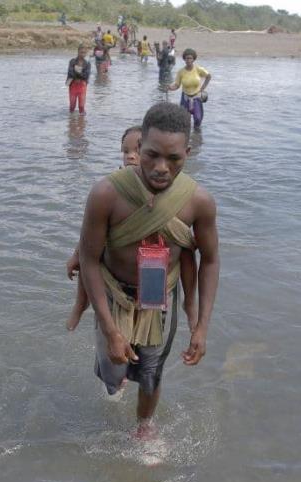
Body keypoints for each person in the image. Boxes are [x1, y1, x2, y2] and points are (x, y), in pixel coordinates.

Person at [78, 102, 219, 438]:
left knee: (153, 369)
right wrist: (111, 328)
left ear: (188, 152)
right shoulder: (106, 194)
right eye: (152, 155)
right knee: (113, 373)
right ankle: (117, 377)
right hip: (113, 295)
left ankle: (144, 425)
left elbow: (210, 260)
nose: (161, 168)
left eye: (174, 159)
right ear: (139, 147)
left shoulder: (198, 202)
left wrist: (200, 326)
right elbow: (88, 259)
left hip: (159, 298)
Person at [66, 127, 200, 333]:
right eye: (125, 151)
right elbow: (91, 232)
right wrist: (77, 253)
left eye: (136, 152)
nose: (130, 156)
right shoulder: (113, 186)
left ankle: (190, 303)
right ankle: (80, 303)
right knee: (89, 257)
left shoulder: (169, 186)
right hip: (117, 249)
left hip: (158, 253)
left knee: (186, 249)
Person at [168, 48, 211, 128]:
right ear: (184, 59)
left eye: (190, 58)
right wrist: (170, 88)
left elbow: (208, 76)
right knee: (183, 121)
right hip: (185, 98)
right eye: (186, 58)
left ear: (193, 59)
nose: (188, 60)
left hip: (196, 98)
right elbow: (177, 85)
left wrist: (203, 88)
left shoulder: (198, 69)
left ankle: (196, 135)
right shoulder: (181, 72)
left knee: (198, 119)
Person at [66, 45, 91, 114]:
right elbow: (70, 72)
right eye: (81, 52)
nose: (83, 54)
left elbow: (86, 75)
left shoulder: (87, 64)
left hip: (82, 86)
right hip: (72, 85)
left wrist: (77, 73)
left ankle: (82, 121)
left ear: (86, 53)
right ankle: (71, 121)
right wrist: (80, 75)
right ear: (78, 52)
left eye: (84, 53)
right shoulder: (72, 61)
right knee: (72, 106)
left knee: (81, 106)